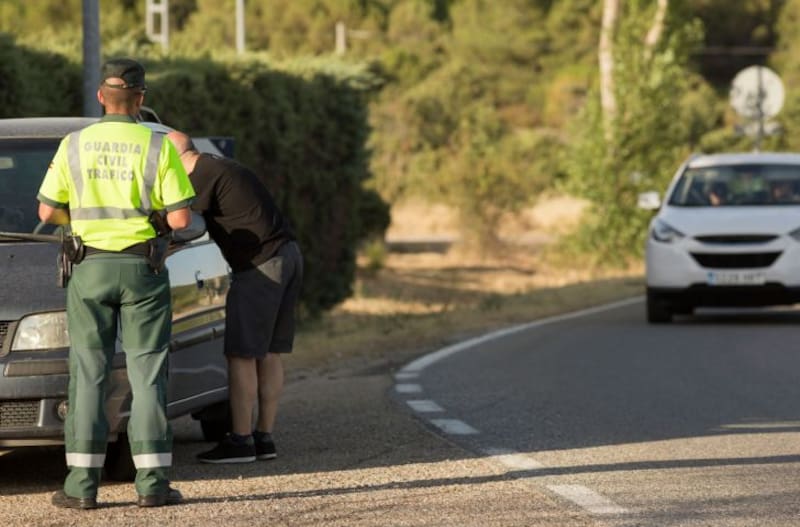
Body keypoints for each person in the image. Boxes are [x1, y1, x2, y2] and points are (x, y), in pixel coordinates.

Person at [38, 58, 195, 509]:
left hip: (89, 269)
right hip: (142, 270)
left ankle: (81, 487)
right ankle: (152, 485)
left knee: (89, 374)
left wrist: (80, 219)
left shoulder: (73, 144)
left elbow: (46, 211)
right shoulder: (158, 145)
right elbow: (181, 220)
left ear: (100, 97)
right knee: (148, 374)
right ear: (140, 98)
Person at [166, 131, 303, 464]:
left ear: (174, 158)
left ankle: (240, 441)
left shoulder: (200, 176)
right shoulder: (220, 166)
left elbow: (176, 221)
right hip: (288, 255)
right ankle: (264, 438)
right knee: (269, 352)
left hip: (259, 266)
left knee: (241, 355)